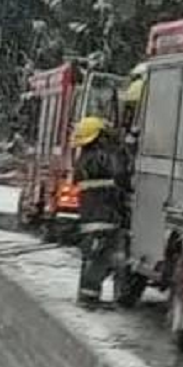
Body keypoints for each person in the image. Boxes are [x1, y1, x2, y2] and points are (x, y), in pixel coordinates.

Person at [73, 115, 130, 307]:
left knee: (94, 256)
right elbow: (121, 177)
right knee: (100, 258)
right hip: (104, 217)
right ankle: (89, 297)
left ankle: (88, 295)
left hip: (92, 217)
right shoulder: (102, 158)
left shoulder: (85, 159)